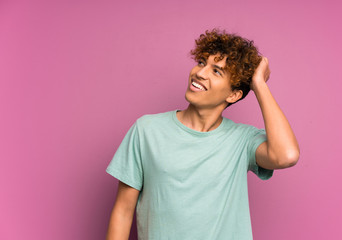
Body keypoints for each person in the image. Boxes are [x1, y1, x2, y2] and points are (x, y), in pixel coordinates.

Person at [105, 28, 300, 240]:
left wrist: (259, 85)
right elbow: (123, 212)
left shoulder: (242, 141)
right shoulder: (146, 130)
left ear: (234, 95)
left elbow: (287, 155)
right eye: (201, 62)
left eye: (216, 71)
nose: (200, 73)